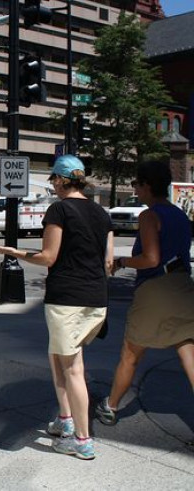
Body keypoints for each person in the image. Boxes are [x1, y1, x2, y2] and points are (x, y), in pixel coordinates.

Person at [0, 155, 113, 461]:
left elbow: (48, 257)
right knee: (58, 357)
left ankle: (82, 440)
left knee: (72, 368)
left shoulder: (59, 208)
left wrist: (14, 252)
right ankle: (65, 419)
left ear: (60, 180)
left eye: (54, 181)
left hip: (67, 298)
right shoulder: (101, 212)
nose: (53, 186)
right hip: (96, 297)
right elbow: (108, 262)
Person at [96, 161, 194, 426]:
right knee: (188, 350)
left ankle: (110, 406)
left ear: (147, 185)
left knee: (131, 353)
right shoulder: (181, 215)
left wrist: (121, 262)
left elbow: (150, 259)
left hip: (155, 289)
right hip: (183, 285)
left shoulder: (149, 216)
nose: (135, 190)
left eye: (137, 184)